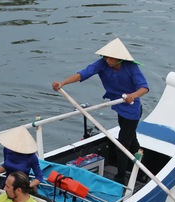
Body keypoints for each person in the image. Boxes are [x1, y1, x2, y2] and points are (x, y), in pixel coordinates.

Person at [52, 38, 149, 185]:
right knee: (132, 141)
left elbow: (144, 88)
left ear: (120, 59)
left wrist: (132, 96)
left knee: (122, 145)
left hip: (131, 111)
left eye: (111, 57)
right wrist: (62, 83)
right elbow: (83, 74)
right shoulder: (102, 64)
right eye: (105, 57)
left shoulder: (131, 68)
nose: (107, 60)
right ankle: (144, 169)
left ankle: (120, 178)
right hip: (118, 107)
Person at [0, 126, 43, 190]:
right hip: (8, 185)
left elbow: (39, 177)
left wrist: (27, 187)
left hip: (22, 187)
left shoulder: (31, 157)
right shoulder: (7, 149)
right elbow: (6, 166)